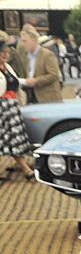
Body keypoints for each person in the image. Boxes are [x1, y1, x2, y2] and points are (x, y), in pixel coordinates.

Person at [0, 43, 33, 181]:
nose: (5, 55)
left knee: (14, 140)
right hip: (2, 108)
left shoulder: (8, 67)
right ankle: (26, 169)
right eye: (2, 52)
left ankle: (25, 168)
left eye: (7, 52)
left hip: (12, 107)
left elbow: (16, 84)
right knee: (9, 140)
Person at [21, 30, 61, 104]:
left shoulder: (47, 55)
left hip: (48, 98)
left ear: (33, 40)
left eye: (25, 41)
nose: (23, 44)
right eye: (22, 41)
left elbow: (54, 74)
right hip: (33, 96)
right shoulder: (28, 57)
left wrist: (36, 81)